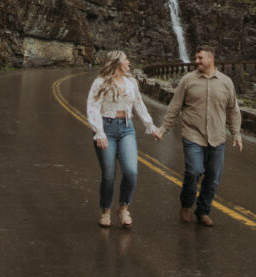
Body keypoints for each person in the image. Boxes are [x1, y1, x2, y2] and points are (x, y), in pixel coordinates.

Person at [153, 44, 242, 226]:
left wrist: (236, 134)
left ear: (211, 59)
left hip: (217, 137)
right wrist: (163, 129)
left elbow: (233, 110)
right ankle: (186, 205)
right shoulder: (187, 80)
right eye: (196, 58)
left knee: (212, 178)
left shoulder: (226, 82)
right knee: (193, 171)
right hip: (193, 135)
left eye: (200, 58)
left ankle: (203, 211)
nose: (196, 61)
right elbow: (174, 107)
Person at [86, 50, 159, 228]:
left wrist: (151, 126)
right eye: (126, 60)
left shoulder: (131, 82)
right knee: (109, 175)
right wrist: (99, 132)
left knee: (131, 172)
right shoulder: (100, 82)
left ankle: (124, 207)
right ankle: (105, 211)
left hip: (126, 128)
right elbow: (93, 107)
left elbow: (139, 105)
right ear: (117, 63)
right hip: (106, 128)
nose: (129, 63)